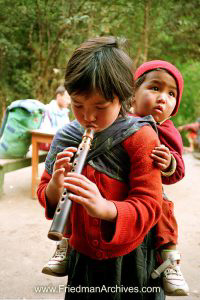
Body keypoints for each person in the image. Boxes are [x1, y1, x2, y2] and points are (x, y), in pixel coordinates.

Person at [37, 36, 164, 299]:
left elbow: (151, 205)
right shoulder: (66, 136)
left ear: (122, 98)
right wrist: (54, 187)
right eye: (78, 105)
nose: (87, 116)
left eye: (100, 106)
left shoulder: (141, 137)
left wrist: (107, 209)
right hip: (82, 260)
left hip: (131, 260)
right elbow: (45, 191)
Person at [132, 60, 189, 296]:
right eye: (155, 88)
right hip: (115, 186)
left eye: (171, 93)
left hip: (149, 190)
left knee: (164, 208)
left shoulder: (167, 130)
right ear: (133, 93)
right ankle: (66, 243)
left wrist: (169, 162)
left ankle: (169, 261)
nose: (163, 97)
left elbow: (178, 169)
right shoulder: (119, 119)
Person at [39, 85, 71, 151]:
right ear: (58, 96)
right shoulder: (47, 110)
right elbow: (45, 131)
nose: (69, 102)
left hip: (61, 146)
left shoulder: (65, 112)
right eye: (67, 98)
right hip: (49, 147)